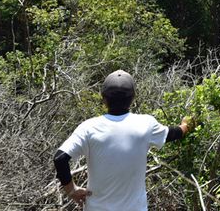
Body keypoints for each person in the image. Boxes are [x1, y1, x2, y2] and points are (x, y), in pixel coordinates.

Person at [54, 70, 194, 210]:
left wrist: (71, 191)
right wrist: (186, 126)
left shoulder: (88, 127)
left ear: (104, 99)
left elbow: (60, 158)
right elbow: (173, 133)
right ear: (133, 98)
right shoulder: (146, 124)